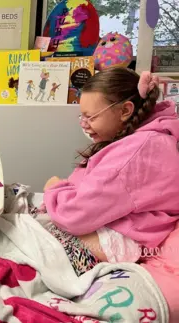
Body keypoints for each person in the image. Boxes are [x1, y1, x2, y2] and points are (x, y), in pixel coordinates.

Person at [37, 68, 179, 280]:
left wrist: (55, 189)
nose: (84, 125)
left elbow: (74, 216)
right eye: (82, 116)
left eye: (90, 117)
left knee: (30, 238)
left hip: (128, 239)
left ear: (125, 111)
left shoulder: (137, 151)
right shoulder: (150, 136)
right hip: (133, 228)